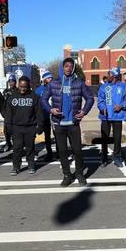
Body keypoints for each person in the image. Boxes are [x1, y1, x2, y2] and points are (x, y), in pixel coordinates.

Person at [41, 57, 94, 187]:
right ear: (62, 68)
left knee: (77, 151)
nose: (68, 68)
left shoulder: (79, 83)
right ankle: (67, 175)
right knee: (63, 152)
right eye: (66, 66)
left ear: (73, 68)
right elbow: (43, 100)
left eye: (71, 66)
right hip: (59, 124)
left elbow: (90, 98)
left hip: (73, 123)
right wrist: (51, 109)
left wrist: (83, 112)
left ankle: (80, 174)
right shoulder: (54, 84)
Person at [6, 76, 44, 175]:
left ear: (28, 86)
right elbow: (8, 113)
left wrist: (40, 126)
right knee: (17, 148)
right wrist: (8, 127)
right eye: (21, 86)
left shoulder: (34, 96)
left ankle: (31, 165)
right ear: (18, 85)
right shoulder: (12, 97)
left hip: (30, 127)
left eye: (25, 87)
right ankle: (16, 167)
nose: (23, 89)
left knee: (30, 147)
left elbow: (39, 112)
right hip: (16, 127)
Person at [98, 67, 126, 168]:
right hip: (105, 117)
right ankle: (104, 158)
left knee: (117, 138)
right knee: (104, 138)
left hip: (118, 116)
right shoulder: (103, 87)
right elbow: (100, 100)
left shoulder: (123, 86)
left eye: (110, 74)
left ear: (115, 75)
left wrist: (121, 106)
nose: (108, 75)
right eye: (108, 73)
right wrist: (102, 108)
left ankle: (117, 157)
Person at [35, 70, 54, 161]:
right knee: (46, 135)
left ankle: (59, 153)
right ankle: (49, 153)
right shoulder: (39, 90)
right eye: (48, 78)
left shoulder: (56, 87)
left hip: (54, 115)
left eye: (51, 78)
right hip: (43, 115)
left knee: (57, 135)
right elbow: (35, 103)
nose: (51, 79)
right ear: (44, 79)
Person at [2, 74, 17, 152]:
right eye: (10, 82)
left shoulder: (17, 90)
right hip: (7, 114)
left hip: (16, 114)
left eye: (13, 81)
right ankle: (8, 144)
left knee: (15, 131)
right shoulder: (6, 91)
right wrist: (4, 114)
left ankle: (16, 144)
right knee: (6, 131)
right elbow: (2, 104)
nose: (11, 83)